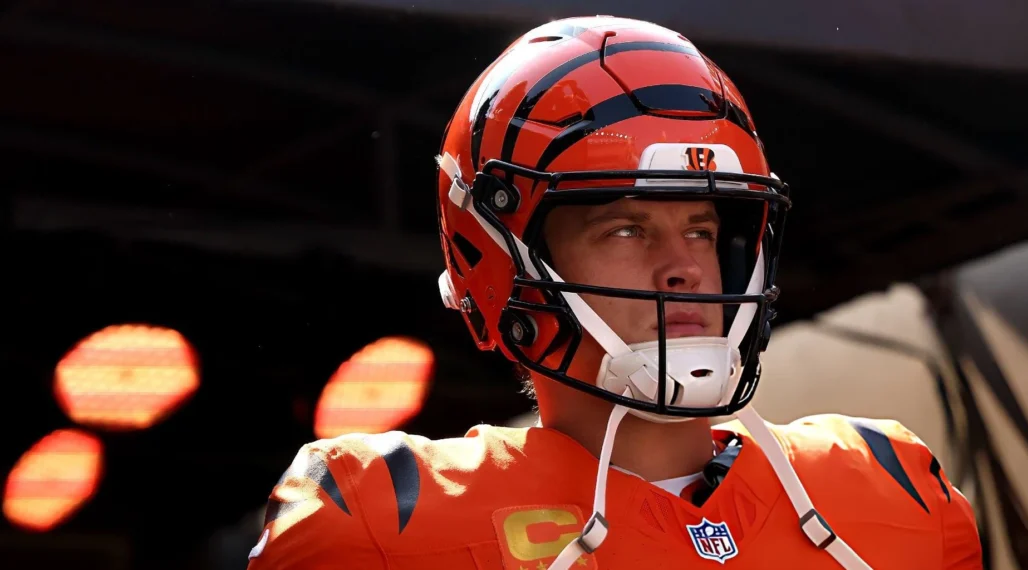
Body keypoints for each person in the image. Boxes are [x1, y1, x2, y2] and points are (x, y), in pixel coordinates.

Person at [246, 15, 982, 570]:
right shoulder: (383, 521)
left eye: (700, 228)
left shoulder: (893, 487)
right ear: (505, 264)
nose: (683, 268)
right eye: (625, 230)